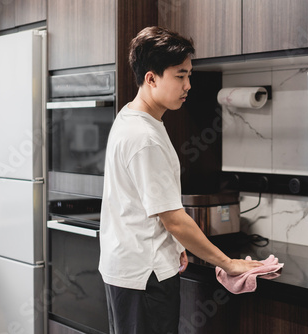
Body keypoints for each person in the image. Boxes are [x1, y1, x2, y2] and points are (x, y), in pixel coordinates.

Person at [98, 26, 263, 334]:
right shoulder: (144, 136)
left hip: (130, 267)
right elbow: (173, 218)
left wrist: (173, 245)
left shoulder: (133, 118)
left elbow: (143, 201)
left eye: (189, 75)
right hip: (144, 276)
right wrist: (228, 263)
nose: (188, 85)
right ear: (151, 78)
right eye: (180, 75)